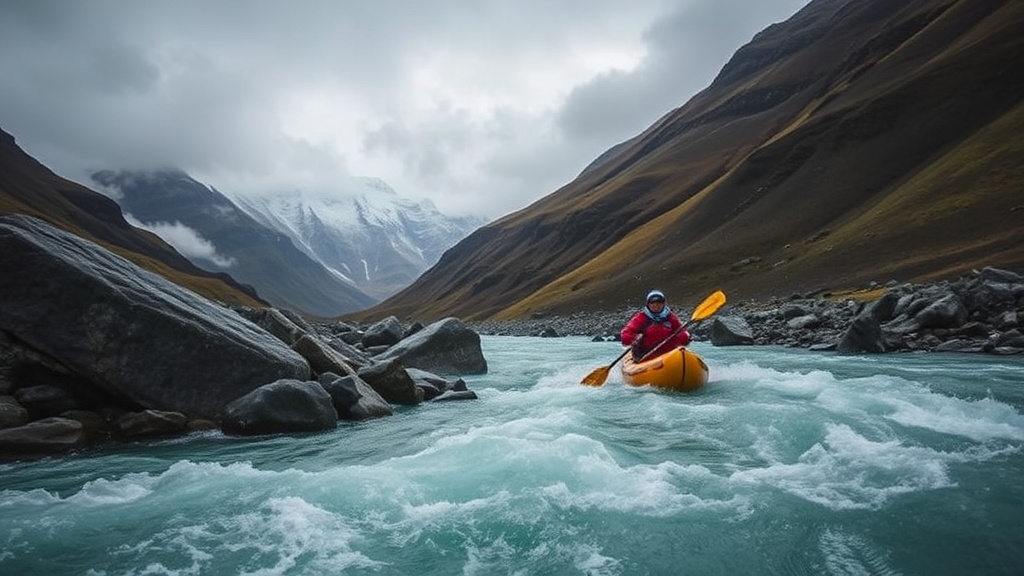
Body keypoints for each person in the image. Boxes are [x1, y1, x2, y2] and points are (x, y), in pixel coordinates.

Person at [620, 289, 691, 361]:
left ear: (663, 304)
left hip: (669, 354)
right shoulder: (641, 318)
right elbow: (628, 332)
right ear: (648, 304)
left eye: (659, 302)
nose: (656, 305)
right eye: (652, 302)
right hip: (646, 355)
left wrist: (684, 337)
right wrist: (632, 338)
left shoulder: (671, 318)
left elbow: (681, 331)